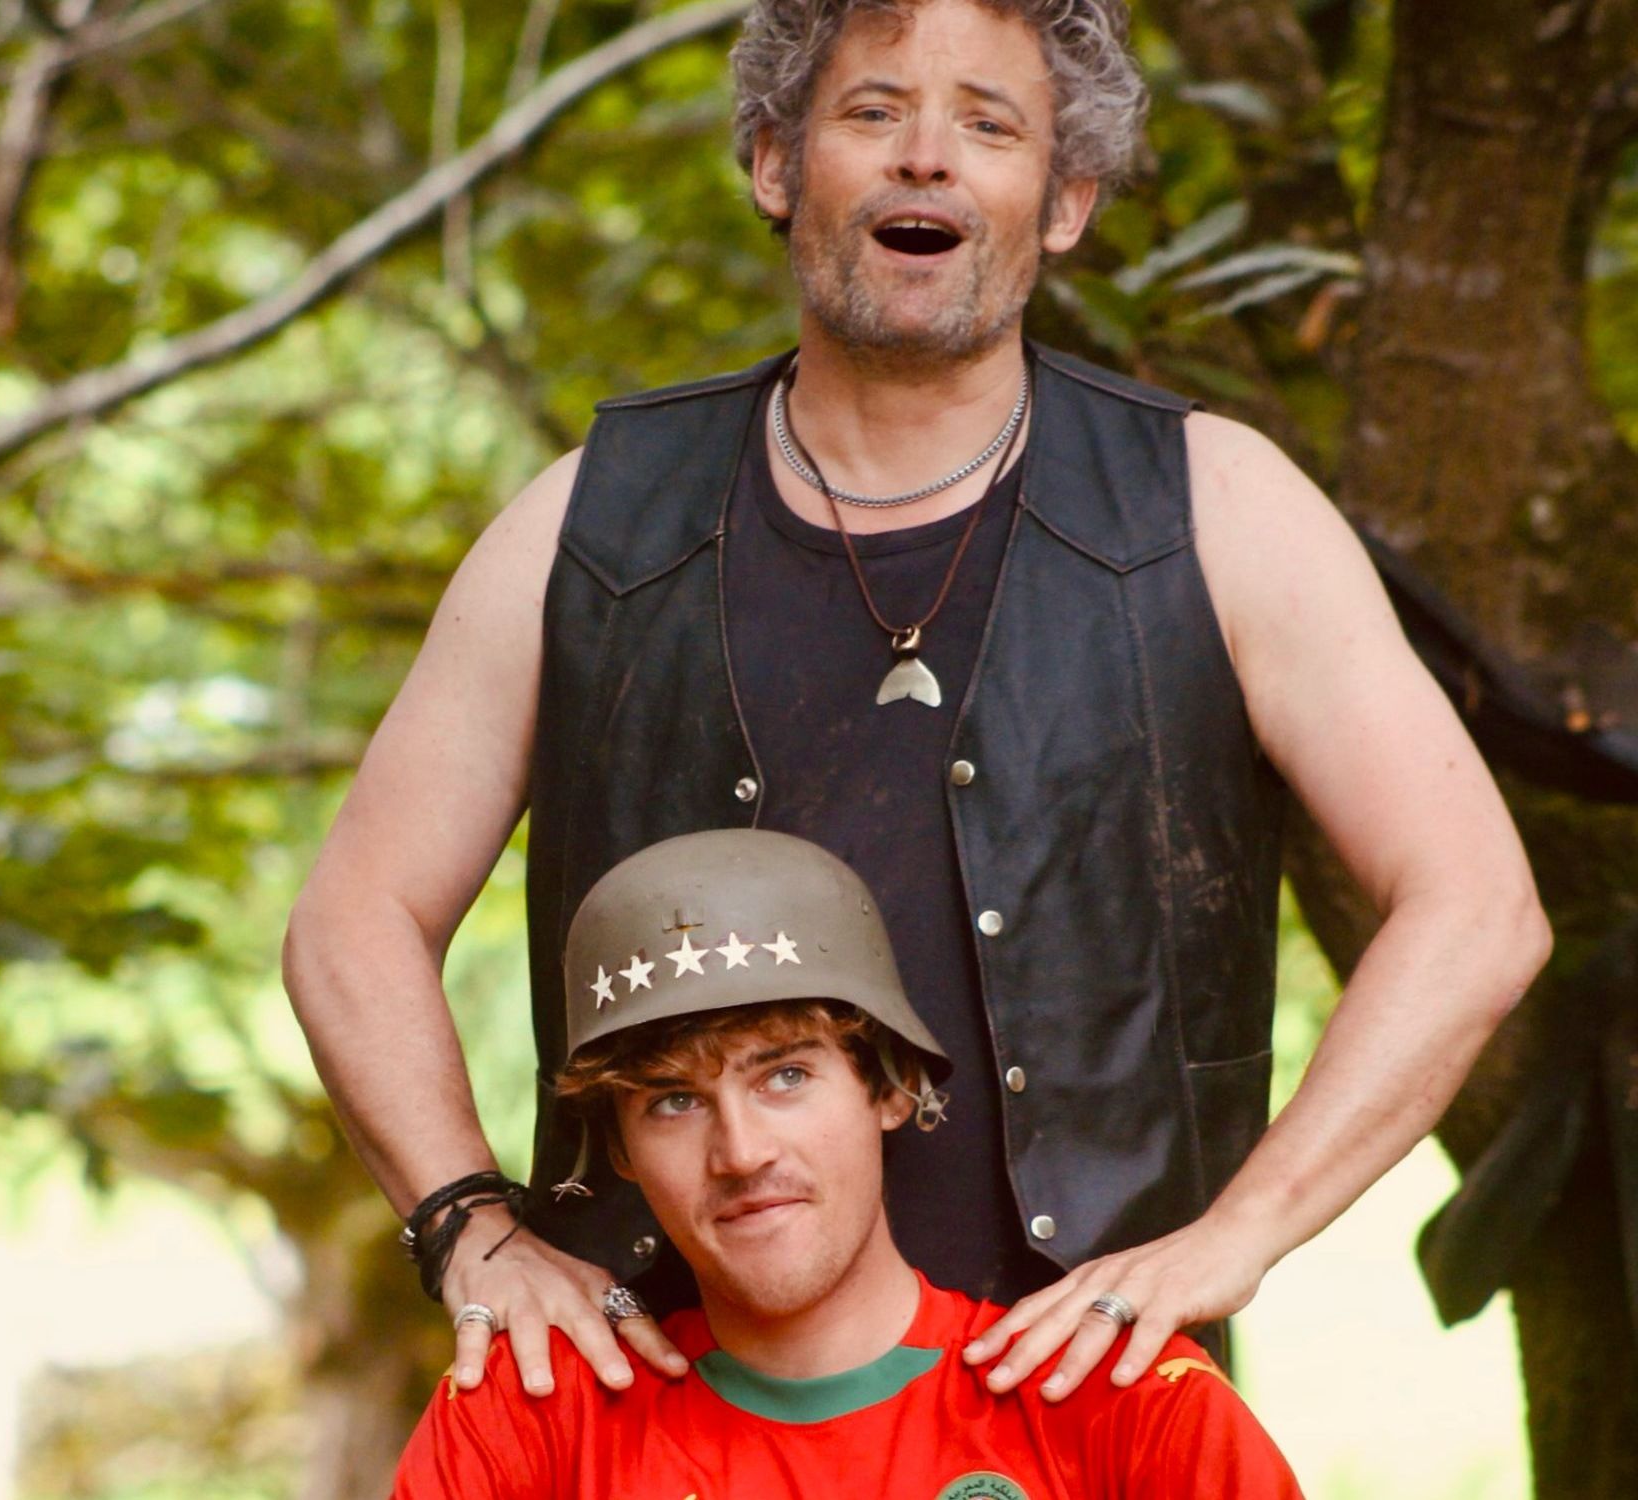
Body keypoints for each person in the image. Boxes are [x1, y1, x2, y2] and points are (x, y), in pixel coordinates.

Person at [286, 0, 1550, 1409]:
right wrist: (469, 1224)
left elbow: (1476, 906)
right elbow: (354, 917)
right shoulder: (590, 523)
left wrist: (1239, 1234)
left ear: (1065, 202)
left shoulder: (1218, 506)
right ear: (775, 163)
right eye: (874, 110)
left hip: (1086, 1418)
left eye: (989, 123)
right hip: (662, 1418)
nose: (928, 158)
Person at [392, 830, 1305, 1497]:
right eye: (673, 1100)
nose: (741, 1153)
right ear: (621, 1150)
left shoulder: (1128, 1410)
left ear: (890, 1086)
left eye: (785, 1075)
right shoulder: (530, 1420)